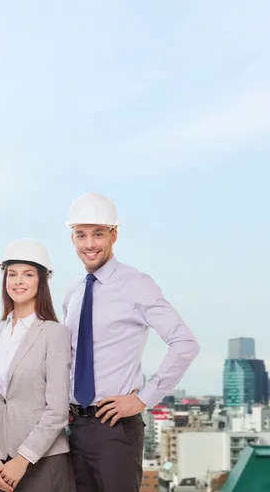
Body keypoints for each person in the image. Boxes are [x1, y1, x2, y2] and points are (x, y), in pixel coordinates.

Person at [62, 192, 200, 492]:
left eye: (98, 234)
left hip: (114, 428)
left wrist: (143, 399)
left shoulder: (136, 285)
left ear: (114, 234)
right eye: (81, 235)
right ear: (72, 238)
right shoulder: (72, 294)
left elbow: (185, 343)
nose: (89, 244)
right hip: (74, 426)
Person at [0, 238, 75, 492]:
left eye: (28, 274)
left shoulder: (55, 334)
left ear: (41, 281)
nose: (18, 281)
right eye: (12, 274)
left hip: (44, 463)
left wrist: (23, 458)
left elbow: (57, 409)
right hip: (2, 466)